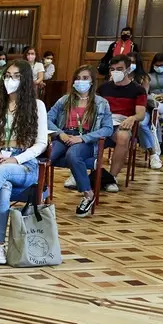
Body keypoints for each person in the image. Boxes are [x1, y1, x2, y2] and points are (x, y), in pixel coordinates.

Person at [0, 61, 48, 264]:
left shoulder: (37, 106)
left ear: (24, 80)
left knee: (4, 172)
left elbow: (41, 144)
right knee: (3, 184)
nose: (10, 80)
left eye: (16, 76)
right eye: (7, 75)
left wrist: (16, 158)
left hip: (25, 163)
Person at [47, 65, 113, 218]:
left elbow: (108, 129)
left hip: (86, 140)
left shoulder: (101, 103)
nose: (80, 81)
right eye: (78, 78)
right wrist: (60, 133)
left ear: (92, 82)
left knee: (73, 155)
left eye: (85, 78)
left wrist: (83, 138)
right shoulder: (65, 100)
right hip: (64, 136)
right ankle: (38, 192)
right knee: (47, 155)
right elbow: (48, 118)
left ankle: (88, 194)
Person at [93, 55, 147, 191]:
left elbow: (141, 114)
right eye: (113, 69)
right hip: (103, 121)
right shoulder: (104, 88)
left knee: (123, 137)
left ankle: (111, 178)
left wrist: (132, 118)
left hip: (122, 122)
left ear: (128, 69)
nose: (115, 72)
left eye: (119, 69)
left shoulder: (138, 90)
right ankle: (80, 174)